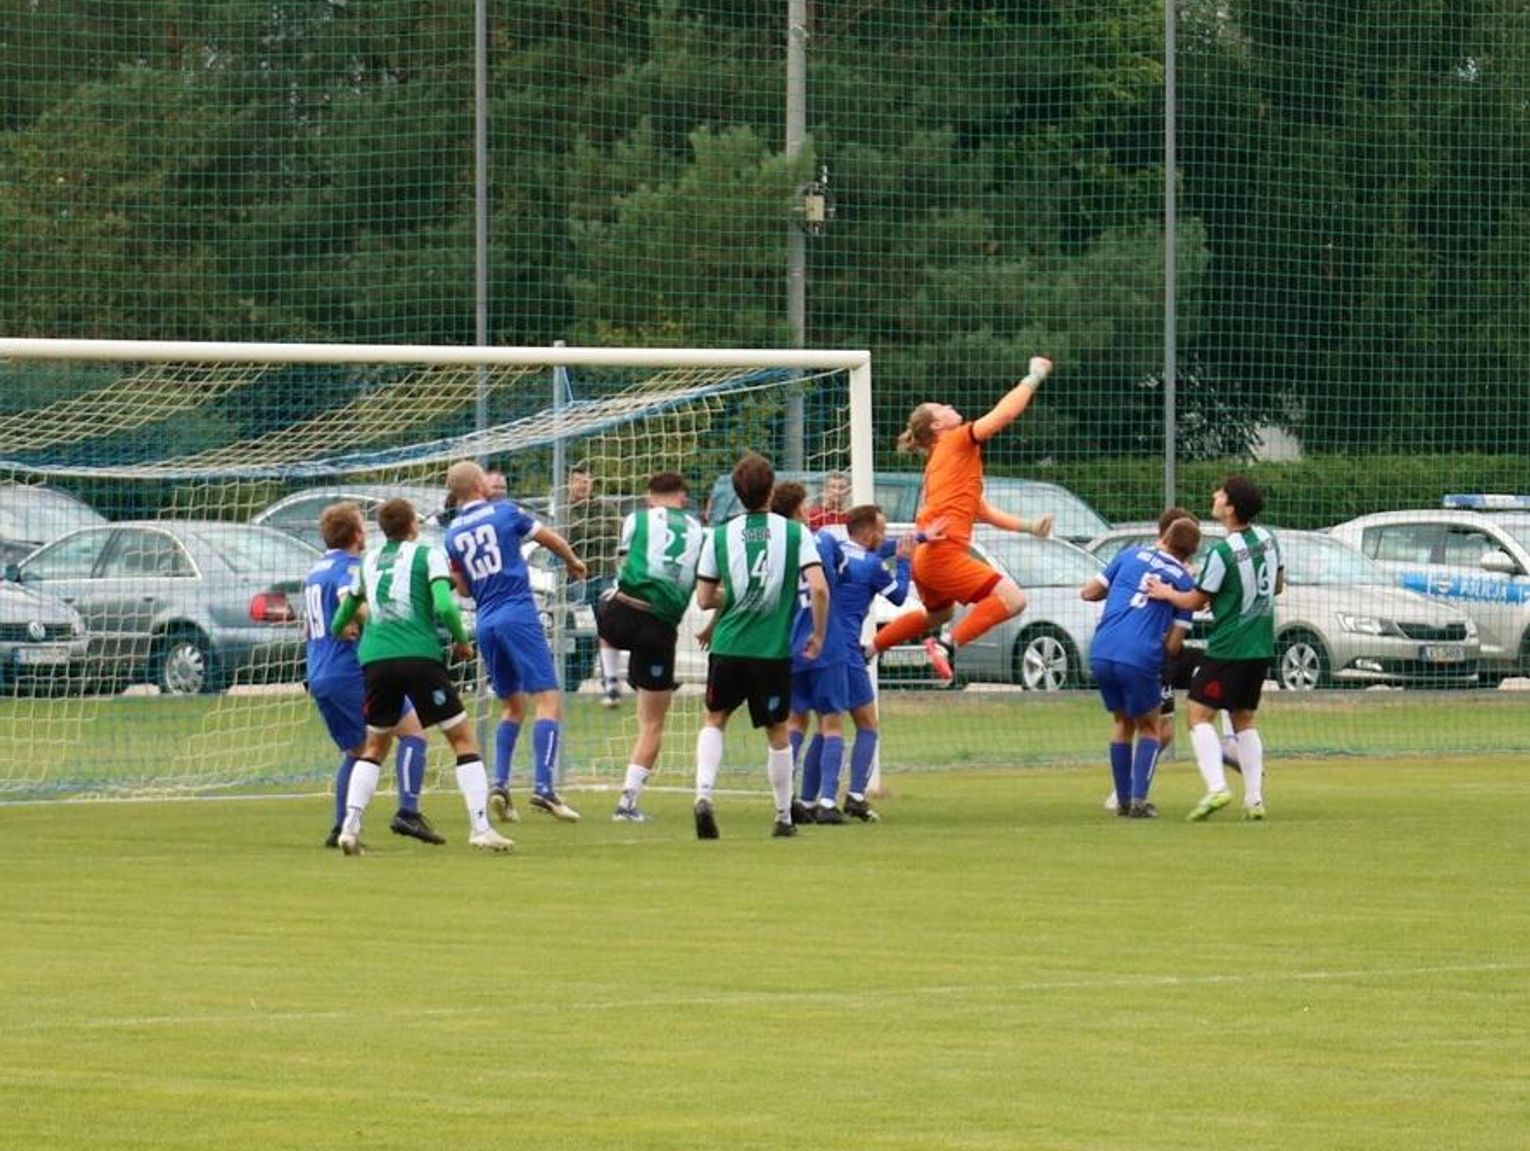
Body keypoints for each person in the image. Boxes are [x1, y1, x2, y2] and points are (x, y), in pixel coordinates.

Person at [329, 498, 512, 855]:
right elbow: (445, 605)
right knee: (462, 739)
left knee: (374, 746)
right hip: (418, 658)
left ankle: (350, 827)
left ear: (383, 529)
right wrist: (461, 641)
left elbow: (346, 609)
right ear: (412, 525)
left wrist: (340, 628)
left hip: (376, 661)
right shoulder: (428, 555)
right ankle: (480, 828)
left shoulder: (368, 561)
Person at [871, 356, 1056, 681]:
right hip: (942, 554)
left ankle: (869, 648)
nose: (949, 405)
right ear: (936, 426)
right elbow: (1004, 414)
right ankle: (945, 646)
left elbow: (982, 511)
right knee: (1013, 600)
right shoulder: (955, 441)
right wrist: (1034, 376)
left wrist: (1029, 527)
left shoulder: (943, 459)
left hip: (927, 557)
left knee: (938, 614)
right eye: (941, 407)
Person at [692, 452, 828, 839]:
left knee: (715, 719)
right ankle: (783, 816)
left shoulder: (720, 535)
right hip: (769, 653)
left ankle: (703, 796)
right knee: (777, 730)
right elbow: (819, 588)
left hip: (727, 646)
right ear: (771, 490)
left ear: (738, 493)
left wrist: (737, 595)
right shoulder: (795, 533)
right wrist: (818, 635)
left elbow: (704, 598)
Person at [444, 460, 586, 824]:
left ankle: (501, 785)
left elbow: (462, 589)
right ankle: (544, 789)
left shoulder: (452, 533)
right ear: (479, 484)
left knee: (513, 706)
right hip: (517, 613)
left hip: (485, 621)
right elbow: (549, 539)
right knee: (549, 700)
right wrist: (573, 561)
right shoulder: (505, 512)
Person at [305, 502, 444, 848]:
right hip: (350, 671)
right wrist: (385, 622)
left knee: (358, 751)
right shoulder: (349, 567)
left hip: (320, 671)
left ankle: (341, 828)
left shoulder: (315, 571)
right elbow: (350, 601)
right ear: (356, 534)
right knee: (414, 733)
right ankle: (408, 812)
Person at [1147, 474, 1283, 821]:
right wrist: (1234, 599)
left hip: (1229, 647)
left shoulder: (1222, 552)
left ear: (1231, 508)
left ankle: (1217, 788)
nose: (1214, 495)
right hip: (1261, 644)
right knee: (1243, 718)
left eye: (1221, 493)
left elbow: (1194, 601)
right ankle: (1254, 799)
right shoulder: (1269, 539)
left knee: (1197, 714)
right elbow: (1277, 585)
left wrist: (1165, 592)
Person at [794, 500, 914, 824]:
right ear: (870, 532)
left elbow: (877, 550)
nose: (884, 536)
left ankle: (807, 798)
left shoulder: (835, 551)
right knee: (866, 724)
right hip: (846, 652)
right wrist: (905, 562)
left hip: (817, 646)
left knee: (821, 725)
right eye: (882, 530)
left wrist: (921, 537)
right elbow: (899, 596)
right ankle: (853, 796)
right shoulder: (873, 566)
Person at [597, 471, 707, 822]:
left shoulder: (636, 519)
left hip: (623, 613)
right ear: (683, 498)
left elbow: (624, 559)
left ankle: (611, 682)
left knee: (605, 599)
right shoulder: (699, 531)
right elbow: (703, 586)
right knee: (653, 724)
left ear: (650, 497)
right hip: (660, 628)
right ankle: (627, 803)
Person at [1082, 515, 1201, 818]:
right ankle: (1138, 801)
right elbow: (1173, 646)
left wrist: (1122, 588)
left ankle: (1121, 800)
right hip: (1138, 655)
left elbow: (1089, 592)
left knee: (1122, 723)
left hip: (1102, 649)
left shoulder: (1129, 555)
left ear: (1164, 537)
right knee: (1150, 727)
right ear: (1190, 554)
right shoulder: (1184, 582)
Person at [770, 481, 849, 824]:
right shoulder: (824, 541)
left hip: (788, 645)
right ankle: (828, 802)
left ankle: (790, 800)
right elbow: (834, 580)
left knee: (794, 721)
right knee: (831, 722)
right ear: (800, 509)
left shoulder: (775, 550)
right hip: (825, 643)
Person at [560, 461, 626, 705]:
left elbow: (614, 533)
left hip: (605, 576)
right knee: (578, 634)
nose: (582, 485)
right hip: (577, 580)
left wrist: (587, 531)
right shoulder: (564, 508)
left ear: (592, 483)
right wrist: (597, 530)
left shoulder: (606, 506)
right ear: (570, 483)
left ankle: (610, 683)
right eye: (578, 481)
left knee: (608, 630)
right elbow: (570, 533)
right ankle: (571, 682)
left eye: (586, 481)